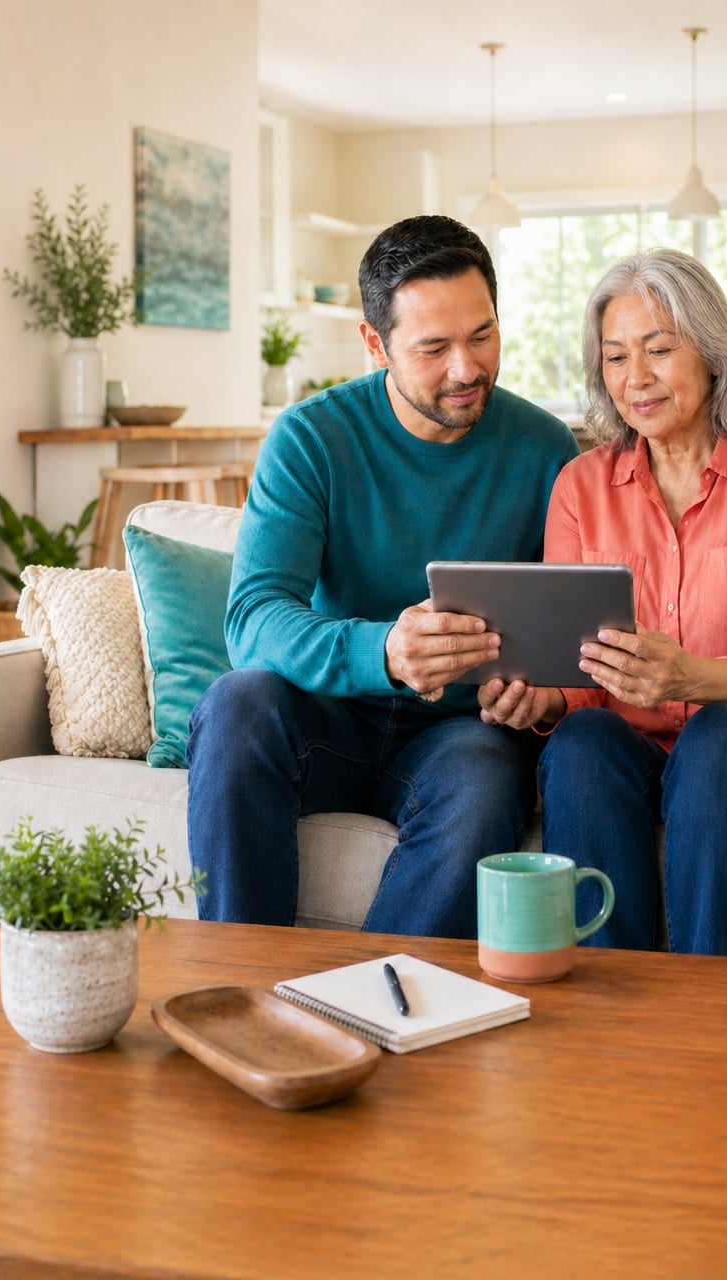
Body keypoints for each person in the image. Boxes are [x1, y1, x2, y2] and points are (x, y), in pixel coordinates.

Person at [186, 215, 579, 936]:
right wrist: (384, 653)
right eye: (433, 348)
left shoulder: (545, 449)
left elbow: (568, 626)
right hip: (326, 718)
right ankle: (238, 986)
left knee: (488, 779)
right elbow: (253, 617)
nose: (466, 368)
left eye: (482, 335)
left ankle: (377, 1007)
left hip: (464, 731)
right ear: (375, 345)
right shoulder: (311, 438)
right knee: (238, 701)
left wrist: (542, 693)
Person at [478, 248, 727, 957]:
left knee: (718, 736)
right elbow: (581, 682)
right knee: (579, 743)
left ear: (712, 354)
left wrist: (693, 677)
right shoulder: (580, 486)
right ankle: (613, 1008)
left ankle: (709, 1010)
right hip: (641, 752)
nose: (637, 378)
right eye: (616, 357)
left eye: (659, 349)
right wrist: (541, 701)